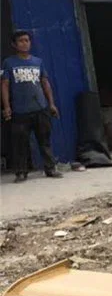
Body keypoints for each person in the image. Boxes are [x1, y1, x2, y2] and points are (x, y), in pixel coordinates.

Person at [2, 29, 61, 182]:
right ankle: (21, 172)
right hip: (20, 111)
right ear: (14, 44)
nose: (25, 43)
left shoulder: (38, 62)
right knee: (20, 143)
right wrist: (7, 107)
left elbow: (45, 83)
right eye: (21, 41)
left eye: (27, 40)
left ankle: (50, 168)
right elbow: (4, 85)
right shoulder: (9, 63)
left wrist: (51, 104)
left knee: (45, 141)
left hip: (40, 108)